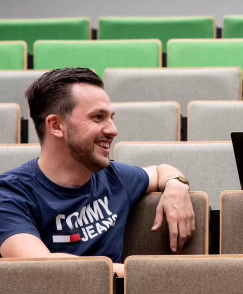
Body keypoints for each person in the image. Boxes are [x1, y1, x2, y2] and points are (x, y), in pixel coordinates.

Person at [0, 68, 195, 277]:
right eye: (98, 117)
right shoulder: (10, 194)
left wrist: (176, 185)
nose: (113, 130)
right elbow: (41, 267)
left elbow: (160, 171)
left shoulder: (114, 177)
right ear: (56, 125)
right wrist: (154, 275)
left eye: (111, 117)